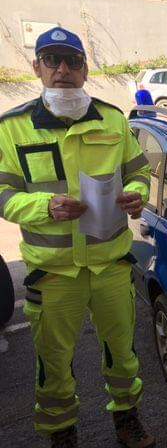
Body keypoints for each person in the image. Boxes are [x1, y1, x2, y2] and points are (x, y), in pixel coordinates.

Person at [0, 27, 154, 447]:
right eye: (52, 61)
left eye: (72, 61)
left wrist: (137, 195)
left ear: (86, 69)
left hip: (110, 265)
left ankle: (127, 418)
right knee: (53, 363)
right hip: (52, 274)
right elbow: (3, 194)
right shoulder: (12, 128)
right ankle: (61, 433)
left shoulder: (113, 118)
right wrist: (42, 207)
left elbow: (139, 172)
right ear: (37, 68)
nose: (63, 70)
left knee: (122, 355)